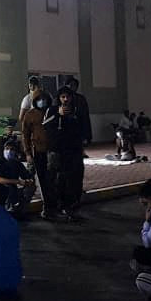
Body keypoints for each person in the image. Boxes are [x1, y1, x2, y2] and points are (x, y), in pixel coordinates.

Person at [44, 86, 84, 219]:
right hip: (56, 151)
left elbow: (81, 129)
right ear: (59, 98)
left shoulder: (76, 111)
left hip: (72, 151)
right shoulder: (52, 110)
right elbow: (45, 125)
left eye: (68, 97)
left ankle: (70, 205)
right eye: (63, 97)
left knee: (71, 179)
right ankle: (54, 207)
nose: (65, 100)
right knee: (56, 180)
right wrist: (58, 115)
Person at [22, 91, 59, 220]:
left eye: (44, 99)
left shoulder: (53, 112)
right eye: (39, 99)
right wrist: (27, 153)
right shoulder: (30, 115)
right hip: (37, 151)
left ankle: (51, 207)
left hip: (52, 151)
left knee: (52, 180)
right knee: (39, 180)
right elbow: (25, 134)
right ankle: (22, 207)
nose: (42, 101)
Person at [0, 141, 35, 217]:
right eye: (7, 149)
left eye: (12, 149)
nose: (9, 151)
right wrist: (17, 181)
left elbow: (27, 176)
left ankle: (20, 212)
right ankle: (6, 213)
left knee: (30, 188)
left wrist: (29, 180)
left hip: (13, 190)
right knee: (8, 188)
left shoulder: (17, 163)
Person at [65, 77, 92, 146]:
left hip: (79, 123)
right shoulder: (63, 97)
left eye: (74, 85)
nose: (72, 87)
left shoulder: (80, 98)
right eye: (71, 85)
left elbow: (85, 115)